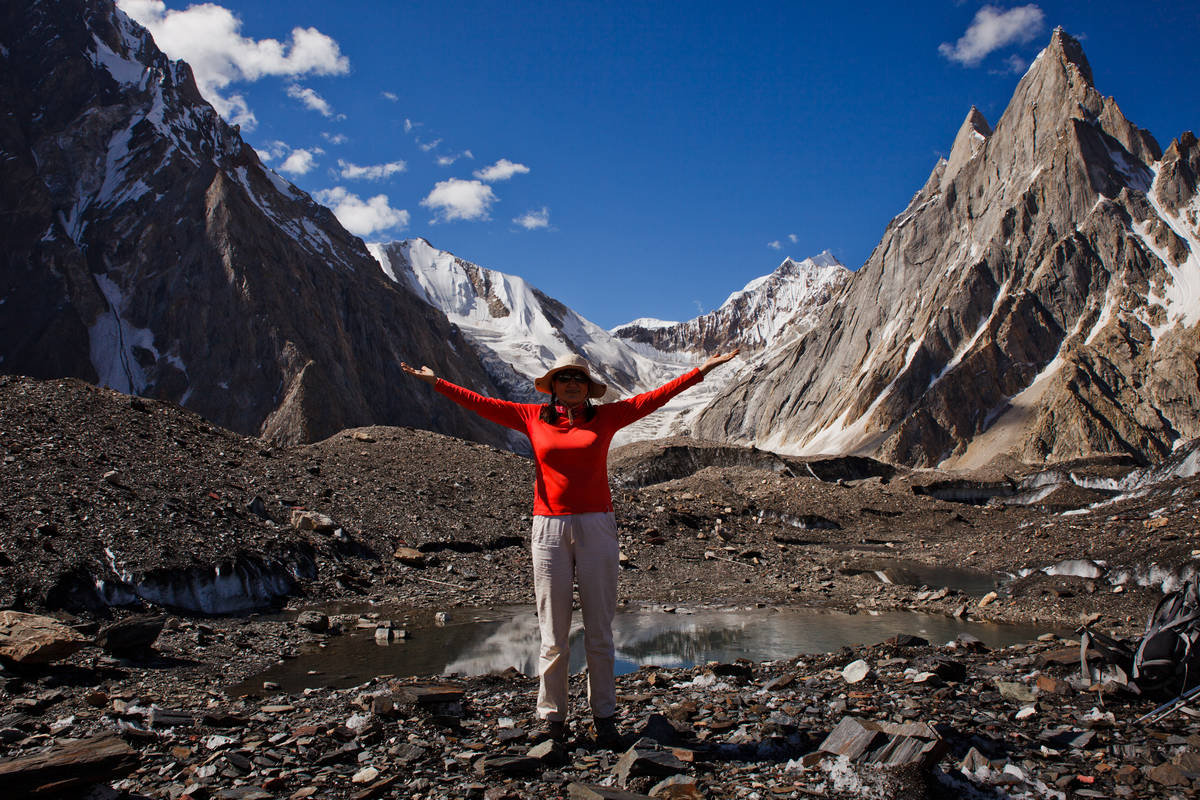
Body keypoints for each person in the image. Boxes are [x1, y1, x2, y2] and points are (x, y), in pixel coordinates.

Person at [401, 349, 738, 745]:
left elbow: (657, 397)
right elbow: (482, 404)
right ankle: (552, 719)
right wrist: (438, 382)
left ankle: (605, 718)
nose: (572, 384)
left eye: (578, 378)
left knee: (599, 628)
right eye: (564, 378)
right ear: (554, 387)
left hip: (597, 525)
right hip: (548, 527)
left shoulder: (608, 417)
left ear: (588, 387)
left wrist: (701, 371)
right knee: (553, 632)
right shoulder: (530, 417)